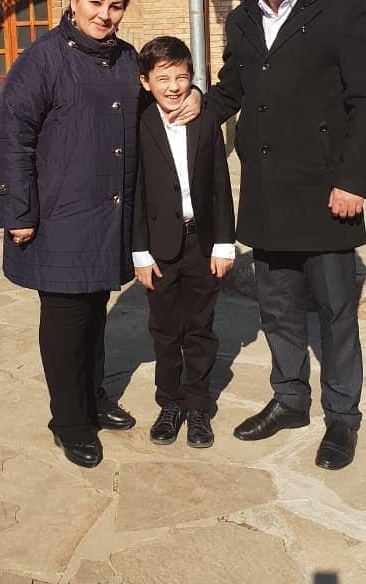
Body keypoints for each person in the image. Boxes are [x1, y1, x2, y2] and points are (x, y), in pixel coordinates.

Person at [200, 0, 366, 470]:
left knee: (335, 314)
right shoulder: (241, 20)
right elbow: (231, 89)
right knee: (278, 309)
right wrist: (189, 111)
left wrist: (352, 181)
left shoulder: (343, 10)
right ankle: (289, 400)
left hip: (327, 193)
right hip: (267, 192)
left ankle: (342, 418)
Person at [0, 0, 141, 469]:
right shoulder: (43, 60)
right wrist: (17, 210)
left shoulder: (125, 58)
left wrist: (192, 100)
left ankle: (93, 397)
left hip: (108, 210)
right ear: (73, 0)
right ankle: (70, 421)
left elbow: (153, 105)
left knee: (94, 311)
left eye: (115, 6)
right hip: (59, 213)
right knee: (65, 318)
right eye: (95, 2)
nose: (104, 14)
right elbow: (12, 136)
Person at [131, 36, 236, 449]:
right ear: (145, 82)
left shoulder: (204, 120)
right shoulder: (140, 123)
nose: (174, 87)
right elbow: (136, 190)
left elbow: (219, 184)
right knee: (164, 330)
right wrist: (140, 251)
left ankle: (197, 407)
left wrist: (224, 243)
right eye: (163, 79)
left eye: (181, 77)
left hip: (201, 242)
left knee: (200, 329)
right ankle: (170, 404)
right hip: (159, 249)